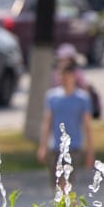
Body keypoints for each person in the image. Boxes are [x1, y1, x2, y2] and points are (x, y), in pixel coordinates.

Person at [37, 58, 95, 196]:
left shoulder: (82, 98)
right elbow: (47, 122)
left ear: (73, 76)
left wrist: (90, 151)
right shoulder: (52, 97)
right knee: (57, 186)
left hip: (74, 147)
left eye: (67, 75)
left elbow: (87, 126)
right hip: (55, 147)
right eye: (61, 75)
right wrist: (43, 146)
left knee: (66, 183)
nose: (64, 79)